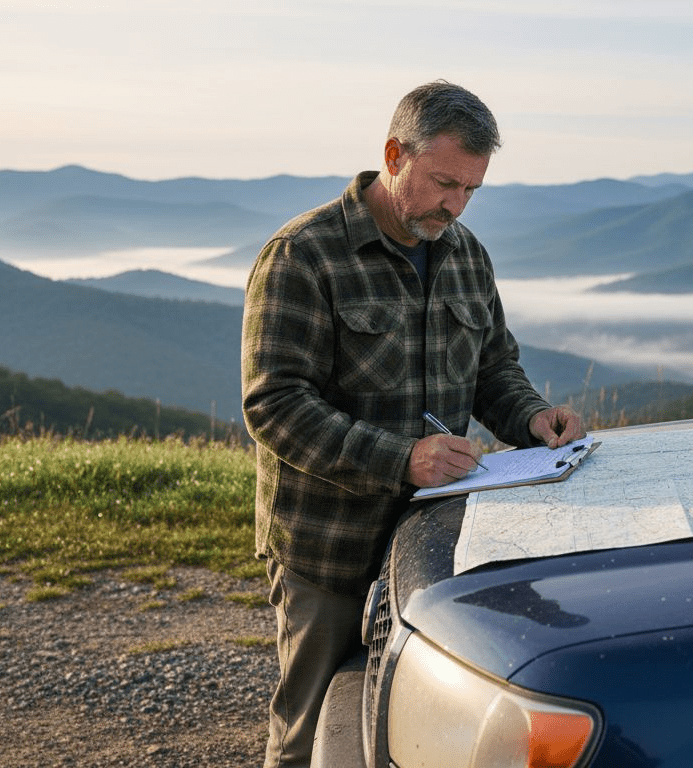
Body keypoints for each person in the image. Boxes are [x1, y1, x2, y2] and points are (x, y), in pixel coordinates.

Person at [240, 80, 585, 767]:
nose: (454, 205)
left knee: (416, 723)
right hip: (329, 547)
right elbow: (273, 406)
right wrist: (402, 459)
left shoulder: (464, 254)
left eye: (470, 190)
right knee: (312, 734)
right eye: (443, 183)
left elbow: (494, 370)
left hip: (433, 548)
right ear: (394, 154)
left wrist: (533, 417)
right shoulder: (304, 256)